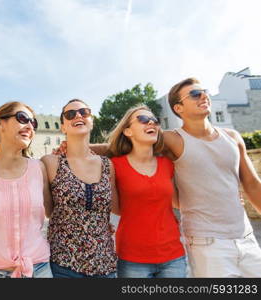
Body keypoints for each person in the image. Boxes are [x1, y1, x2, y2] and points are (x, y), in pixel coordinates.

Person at [163, 77, 261, 277]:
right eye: (194, 94)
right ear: (178, 108)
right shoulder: (172, 139)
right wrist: (82, 149)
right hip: (206, 244)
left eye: (203, 91)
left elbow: (251, 184)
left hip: (246, 237)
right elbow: (124, 148)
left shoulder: (232, 137)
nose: (203, 96)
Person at [0, 101, 53, 278]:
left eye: (34, 123)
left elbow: (53, 213)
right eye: (22, 118)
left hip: (39, 269)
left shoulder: (39, 168)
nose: (29, 126)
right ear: (0, 123)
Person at [41, 99, 118, 278]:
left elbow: (116, 207)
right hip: (63, 265)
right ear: (63, 128)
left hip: (104, 264)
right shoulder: (50, 163)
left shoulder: (108, 165)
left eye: (84, 112)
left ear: (92, 121)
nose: (78, 115)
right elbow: (47, 211)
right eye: (70, 114)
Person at [107, 105, 186, 278]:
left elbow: (178, 202)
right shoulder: (115, 166)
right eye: (143, 119)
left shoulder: (168, 164)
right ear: (127, 131)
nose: (151, 121)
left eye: (155, 120)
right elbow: (115, 208)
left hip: (173, 256)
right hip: (132, 258)